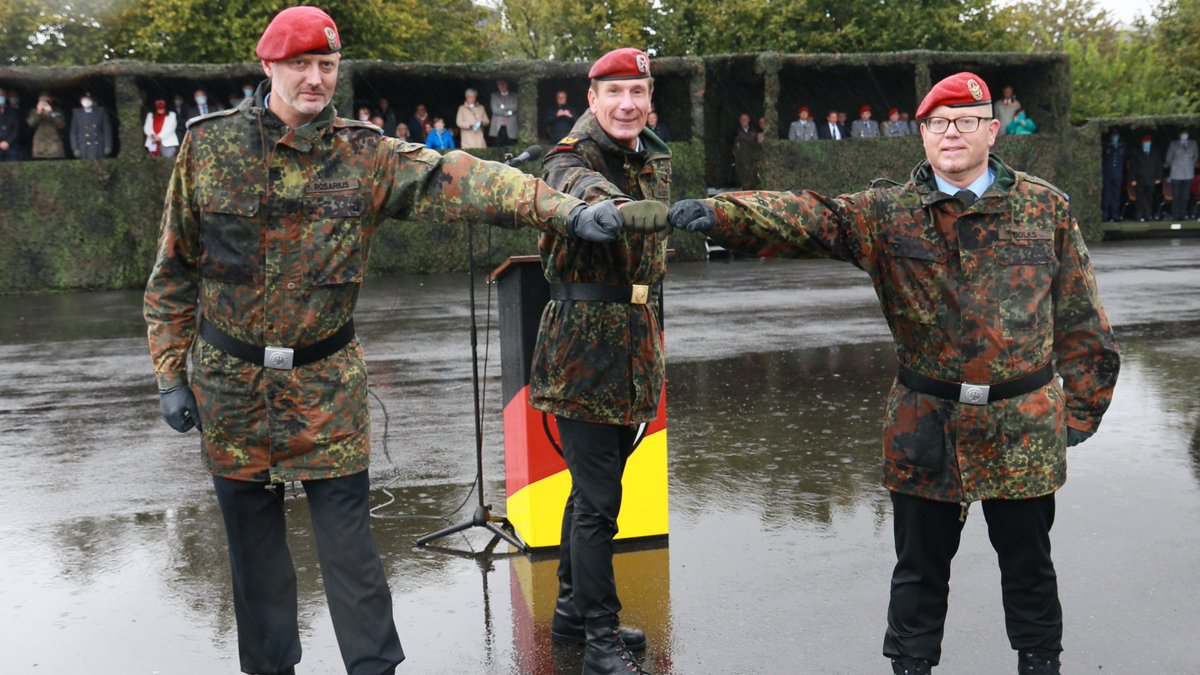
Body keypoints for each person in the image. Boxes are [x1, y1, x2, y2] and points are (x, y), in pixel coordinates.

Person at [143, 8, 646, 675]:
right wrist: (170, 373)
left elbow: (463, 177)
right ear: (268, 66)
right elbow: (173, 270)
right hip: (232, 390)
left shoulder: (365, 153)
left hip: (326, 388)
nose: (316, 78)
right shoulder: (209, 148)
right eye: (301, 65)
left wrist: (569, 211)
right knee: (254, 557)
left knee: (351, 551)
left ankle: (375, 668)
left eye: (327, 65)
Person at [666, 72, 1120, 675]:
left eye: (965, 121)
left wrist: (1084, 408)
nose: (950, 133)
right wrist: (720, 214)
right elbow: (808, 216)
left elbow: (1082, 316)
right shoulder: (888, 213)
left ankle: (1040, 664)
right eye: (937, 123)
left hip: (1021, 426)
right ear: (922, 134)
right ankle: (910, 666)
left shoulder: (1045, 208)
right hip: (924, 424)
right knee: (918, 573)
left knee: (1030, 568)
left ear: (992, 130)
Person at [534, 46, 672, 675]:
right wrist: (611, 208)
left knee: (591, 491)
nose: (626, 103)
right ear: (591, 99)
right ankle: (600, 639)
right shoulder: (569, 157)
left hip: (634, 346)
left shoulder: (653, 155)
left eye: (637, 91)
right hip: (582, 352)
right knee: (598, 505)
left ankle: (570, 611)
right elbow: (577, 189)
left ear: (649, 98)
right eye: (613, 92)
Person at [1164, 130, 1197, 220]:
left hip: (1188, 173)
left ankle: (1183, 214)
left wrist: (1191, 158)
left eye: (1186, 133)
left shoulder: (1193, 143)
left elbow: (1196, 157)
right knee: (1176, 195)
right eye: (1183, 134)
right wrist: (1176, 165)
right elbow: (1168, 158)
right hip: (1176, 173)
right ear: (1179, 135)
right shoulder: (1174, 144)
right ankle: (1175, 214)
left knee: (1185, 195)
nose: (1184, 135)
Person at [69, 92, 113, 159]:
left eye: (88, 99)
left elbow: (107, 130)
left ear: (92, 101)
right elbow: (73, 132)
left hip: (99, 146)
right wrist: (75, 148)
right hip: (83, 146)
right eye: (84, 100)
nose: (86, 102)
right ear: (81, 101)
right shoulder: (77, 113)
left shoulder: (101, 111)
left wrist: (108, 146)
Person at [1129, 135, 1162, 221]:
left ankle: (1148, 215)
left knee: (1149, 198)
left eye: (1148, 142)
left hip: (1151, 179)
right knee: (1139, 199)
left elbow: (1158, 166)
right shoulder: (1137, 153)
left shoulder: (1154, 153)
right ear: (1142, 143)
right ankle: (1138, 216)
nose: (1147, 144)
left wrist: (1158, 177)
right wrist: (1133, 179)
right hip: (1139, 180)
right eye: (1145, 142)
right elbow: (1133, 167)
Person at [27, 94, 66, 159]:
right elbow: (31, 124)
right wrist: (38, 112)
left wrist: (51, 112)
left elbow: (61, 125)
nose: (44, 103)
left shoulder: (56, 111)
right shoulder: (34, 111)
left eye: (46, 101)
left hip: (54, 144)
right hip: (39, 144)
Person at [1101, 132, 1126, 222]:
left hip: (1118, 175)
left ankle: (1115, 215)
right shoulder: (1107, 147)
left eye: (1116, 136)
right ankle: (1105, 215)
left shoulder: (1121, 147)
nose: (1115, 138)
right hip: (1107, 174)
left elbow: (1124, 159)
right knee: (1106, 195)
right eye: (1113, 136)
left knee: (1116, 195)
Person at [489, 78, 518, 147]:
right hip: (498, 125)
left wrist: (503, 106)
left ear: (507, 85)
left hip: (511, 126)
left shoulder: (514, 95)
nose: (502, 86)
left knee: (511, 146)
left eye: (503, 84)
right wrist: (508, 113)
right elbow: (495, 110)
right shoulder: (494, 95)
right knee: (498, 147)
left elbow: (515, 107)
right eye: (499, 85)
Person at [0, 87, 23, 161]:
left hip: (11, 144)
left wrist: (8, 142)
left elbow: (16, 128)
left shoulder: (12, 112)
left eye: (2, 96)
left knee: (13, 163)